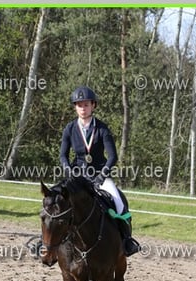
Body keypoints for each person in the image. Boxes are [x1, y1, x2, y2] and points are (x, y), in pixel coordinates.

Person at [59, 85, 140, 257]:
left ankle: (127, 241)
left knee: (119, 202)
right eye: (79, 105)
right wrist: (69, 172)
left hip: (99, 176)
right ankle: (44, 242)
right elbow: (63, 156)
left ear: (93, 106)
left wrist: (101, 176)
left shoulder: (102, 129)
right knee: (55, 200)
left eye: (86, 105)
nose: (83, 108)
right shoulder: (70, 129)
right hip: (77, 176)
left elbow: (112, 157)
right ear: (75, 107)